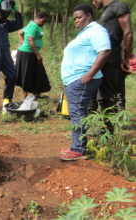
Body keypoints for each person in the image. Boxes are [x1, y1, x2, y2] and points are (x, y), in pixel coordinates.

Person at [60, 4, 110, 161]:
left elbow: (105, 51)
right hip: (75, 79)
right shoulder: (85, 33)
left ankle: (79, 149)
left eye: (79, 17)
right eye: (74, 18)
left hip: (83, 78)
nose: (76, 21)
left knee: (77, 113)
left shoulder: (96, 31)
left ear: (89, 15)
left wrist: (90, 74)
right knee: (76, 112)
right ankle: (77, 146)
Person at [91, 0, 133, 111]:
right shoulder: (107, 10)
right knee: (103, 90)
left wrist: (127, 56)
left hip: (113, 54)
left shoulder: (119, 6)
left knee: (110, 92)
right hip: (104, 54)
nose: (93, 3)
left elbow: (127, 31)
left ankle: (111, 124)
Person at [15, 12, 51, 99]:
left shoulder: (32, 25)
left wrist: (22, 43)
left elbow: (20, 33)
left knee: (38, 73)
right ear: (38, 18)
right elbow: (30, 40)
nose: (44, 23)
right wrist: (38, 55)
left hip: (30, 53)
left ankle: (36, 94)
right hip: (28, 54)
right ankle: (24, 98)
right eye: (43, 21)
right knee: (27, 76)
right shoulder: (33, 26)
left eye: (45, 22)